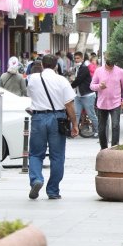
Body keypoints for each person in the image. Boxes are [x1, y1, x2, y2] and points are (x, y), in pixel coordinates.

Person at [26, 54, 78, 200]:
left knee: (36, 153)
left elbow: (30, 95)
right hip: (58, 119)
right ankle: (53, 190)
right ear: (56, 65)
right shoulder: (62, 80)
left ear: (42, 64)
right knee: (57, 156)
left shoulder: (32, 78)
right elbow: (69, 104)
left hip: (38, 118)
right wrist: (74, 124)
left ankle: (36, 179)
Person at [90, 56, 123, 149]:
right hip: (102, 103)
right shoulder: (99, 71)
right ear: (105, 59)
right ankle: (104, 148)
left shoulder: (120, 71)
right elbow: (91, 86)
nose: (111, 65)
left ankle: (114, 148)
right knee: (101, 128)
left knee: (115, 126)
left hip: (116, 103)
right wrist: (99, 86)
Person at [71, 51, 99, 138]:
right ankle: (73, 132)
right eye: (75, 58)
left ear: (82, 59)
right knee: (76, 114)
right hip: (78, 96)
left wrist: (69, 86)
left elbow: (78, 80)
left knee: (91, 114)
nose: (76, 60)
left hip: (88, 95)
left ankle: (97, 131)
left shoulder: (84, 68)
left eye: (78, 58)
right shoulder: (76, 68)